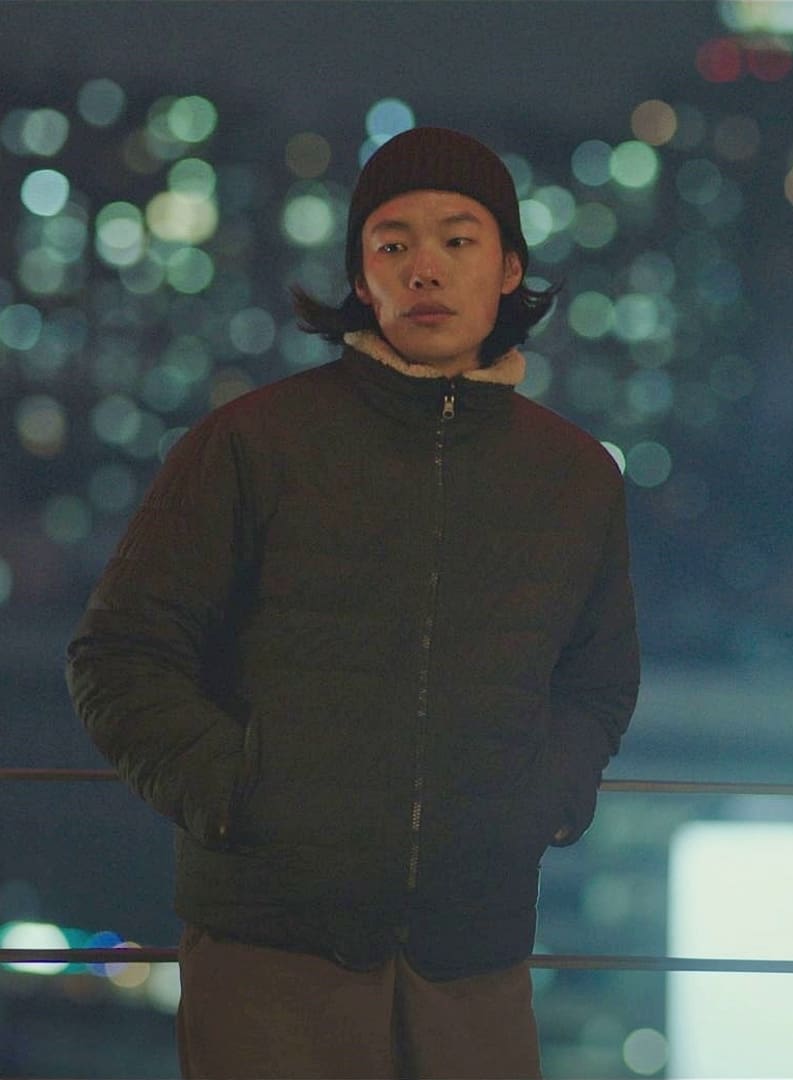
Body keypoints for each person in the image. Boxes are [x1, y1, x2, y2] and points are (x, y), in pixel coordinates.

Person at [67, 126, 641, 1079]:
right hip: (270, 949)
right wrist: (240, 796)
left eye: (458, 240)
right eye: (392, 243)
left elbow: (600, 681)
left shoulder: (573, 475)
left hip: (476, 953)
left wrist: (543, 804)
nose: (425, 268)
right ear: (361, 278)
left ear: (509, 269)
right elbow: (119, 656)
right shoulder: (255, 443)